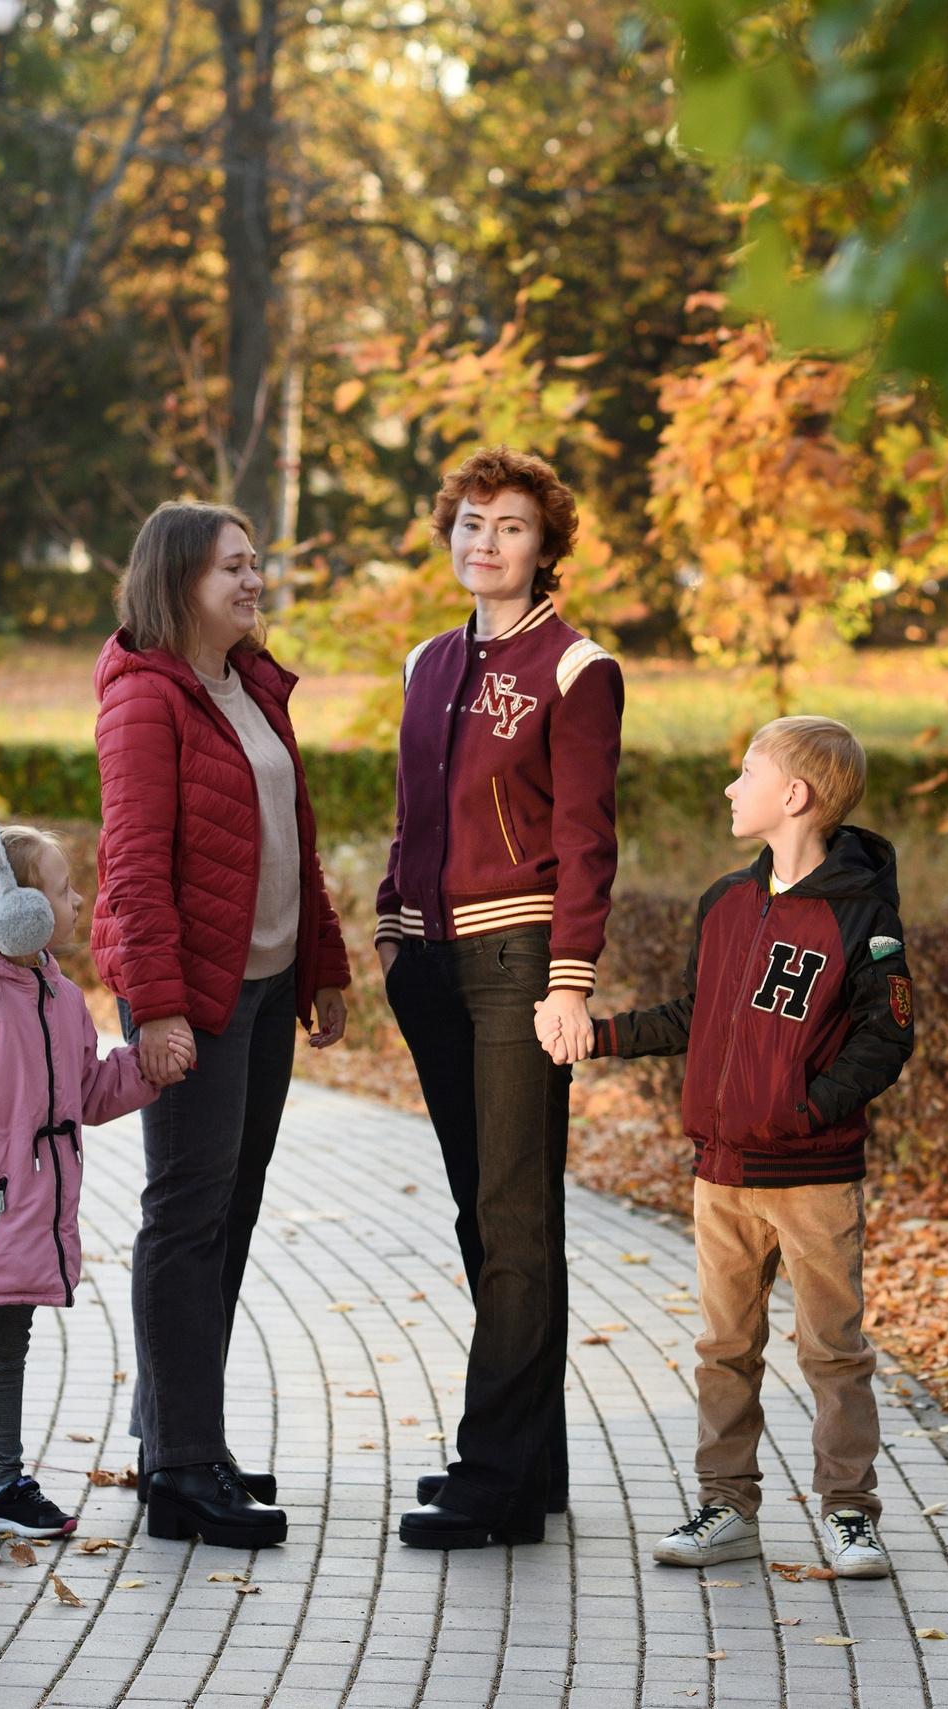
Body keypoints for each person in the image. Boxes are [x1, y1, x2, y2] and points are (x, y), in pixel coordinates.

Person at [544, 715, 914, 1579]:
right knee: (723, 1347)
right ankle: (725, 1505)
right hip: (721, 1173)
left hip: (813, 1174)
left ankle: (851, 1514)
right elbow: (692, 1015)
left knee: (832, 1349)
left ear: (795, 796)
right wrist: (596, 1037)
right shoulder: (725, 902)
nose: (729, 786)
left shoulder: (864, 912)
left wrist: (806, 1109)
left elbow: (886, 1036)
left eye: (746, 771)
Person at [93, 501, 352, 1549]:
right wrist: (155, 1008)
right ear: (178, 581)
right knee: (184, 1217)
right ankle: (183, 1467)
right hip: (193, 994)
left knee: (228, 1214)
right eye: (232, 569)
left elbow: (296, 837)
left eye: (256, 563)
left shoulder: (252, 683)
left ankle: (176, 1435)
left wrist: (321, 965)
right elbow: (134, 868)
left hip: (265, 983)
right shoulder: (144, 699)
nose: (254, 582)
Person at [378, 446, 624, 1548]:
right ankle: (531, 1469)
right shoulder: (428, 662)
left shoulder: (577, 668)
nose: (486, 540)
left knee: (519, 1214)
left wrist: (570, 979)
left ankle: (492, 1480)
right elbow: (411, 817)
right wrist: (388, 926)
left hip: (520, 964)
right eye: (471, 521)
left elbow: (584, 841)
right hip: (428, 963)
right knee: (489, 1214)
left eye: (511, 525)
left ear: (545, 544)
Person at [0, 812, 163, 1567]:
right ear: (16, 911)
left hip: (23, 1215)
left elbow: (82, 1090)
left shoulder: (54, 992)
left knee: (8, 1346)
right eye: (63, 889)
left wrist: (145, 1066)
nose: (77, 901)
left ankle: (6, 1484)